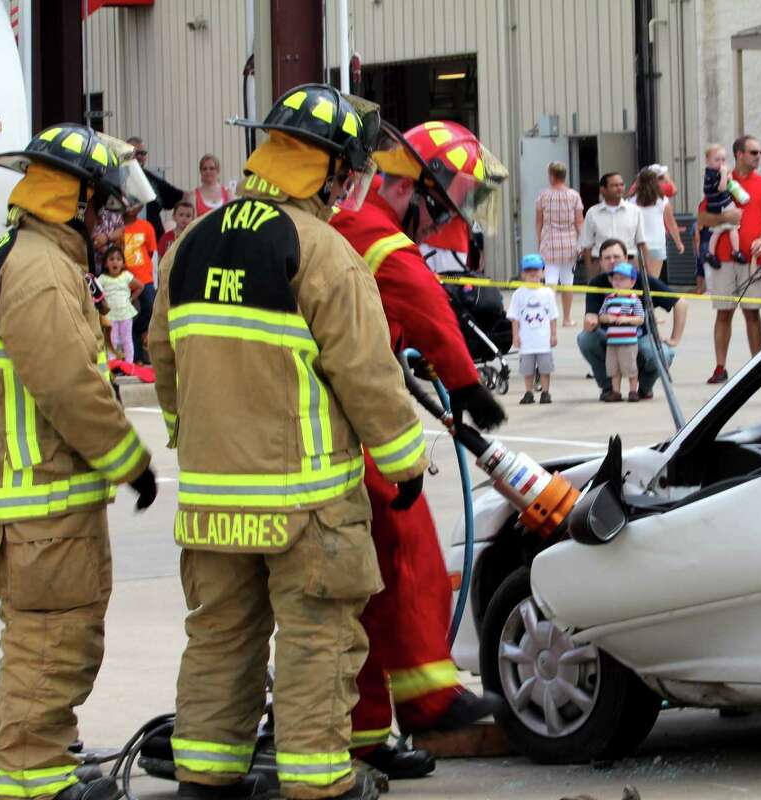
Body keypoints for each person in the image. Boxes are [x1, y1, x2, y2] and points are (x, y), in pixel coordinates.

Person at [151, 84, 425, 800]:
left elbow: (165, 361)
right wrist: (406, 463)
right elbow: (369, 377)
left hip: (213, 505)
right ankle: (319, 785)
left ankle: (204, 782)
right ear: (330, 170)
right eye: (349, 169)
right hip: (306, 507)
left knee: (219, 643)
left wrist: (196, 440)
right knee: (316, 643)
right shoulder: (324, 253)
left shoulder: (187, 246)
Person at [0, 124, 157, 800]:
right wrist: (130, 460)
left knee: (49, 644)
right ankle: (35, 779)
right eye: (104, 207)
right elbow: (69, 386)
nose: (113, 222)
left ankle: (30, 755)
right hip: (38, 502)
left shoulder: (32, 255)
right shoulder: (40, 271)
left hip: (37, 501)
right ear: (72, 201)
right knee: (50, 646)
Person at [331, 116, 509, 781]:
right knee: (411, 563)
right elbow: (428, 307)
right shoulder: (379, 238)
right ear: (419, 187)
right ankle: (432, 701)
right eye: (453, 193)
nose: (453, 213)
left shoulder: (352, 227)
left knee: (367, 589)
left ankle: (366, 736)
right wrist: (468, 387)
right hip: (358, 430)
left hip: (342, 421)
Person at [696, 135, 761, 382]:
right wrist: (725, 219)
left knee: (752, 312)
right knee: (723, 313)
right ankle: (719, 367)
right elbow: (702, 219)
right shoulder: (718, 178)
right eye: (753, 152)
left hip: (752, 259)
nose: (758, 157)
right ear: (739, 155)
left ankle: (757, 367)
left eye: (759, 152)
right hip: (722, 259)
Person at [577, 238, 688, 400]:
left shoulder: (643, 280)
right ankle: (609, 389)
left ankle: (643, 388)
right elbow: (591, 316)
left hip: (640, 337)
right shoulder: (597, 283)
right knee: (585, 339)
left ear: (626, 258)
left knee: (665, 353)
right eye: (607, 258)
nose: (612, 261)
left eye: (616, 256)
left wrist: (675, 338)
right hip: (609, 339)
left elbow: (681, 303)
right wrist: (591, 321)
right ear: (600, 262)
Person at [535, 160, 584, 324]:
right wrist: (581, 243)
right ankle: (567, 318)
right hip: (569, 244)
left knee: (550, 281)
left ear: (552, 176)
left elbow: (539, 222)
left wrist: (539, 242)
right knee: (568, 282)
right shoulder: (574, 195)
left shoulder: (543, 195)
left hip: (550, 243)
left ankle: (550, 318)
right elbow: (579, 222)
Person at [507, 253, 558, 403]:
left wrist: (553, 334)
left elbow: (553, 316)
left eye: (536, 269)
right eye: (528, 270)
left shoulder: (548, 293)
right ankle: (528, 392)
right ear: (523, 273)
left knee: (545, 368)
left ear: (542, 272)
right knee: (527, 369)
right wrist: (515, 335)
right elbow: (514, 317)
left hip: (543, 340)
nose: (532, 273)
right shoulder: (518, 294)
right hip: (526, 340)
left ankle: (545, 392)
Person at [577, 172, 648, 275]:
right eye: (614, 185)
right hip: (600, 265)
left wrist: (645, 270)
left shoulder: (635, 211)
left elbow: (641, 243)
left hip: (629, 264)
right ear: (603, 190)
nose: (619, 188)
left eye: (621, 185)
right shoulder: (593, 213)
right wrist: (590, 271)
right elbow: (586, 245)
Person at [597, 262, 646, 402]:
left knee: (630, 367)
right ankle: (616, 392)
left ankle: (632, 391)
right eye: (615, 279)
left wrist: (627, 319)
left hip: (629, 341)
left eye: (622, 279)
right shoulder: (609, 298)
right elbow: (601, 316)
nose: (617, 282)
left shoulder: (634, 299)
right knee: (613, 368)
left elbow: (640, 318)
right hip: (612, 341)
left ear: (632, 282)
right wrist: (608, 317)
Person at [126, 136, 183, 239]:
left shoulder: (153, 180)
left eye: (143, 153)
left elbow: (179, 196)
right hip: (127, 240)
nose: (139, 156)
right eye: (136, 153)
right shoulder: (117, 178)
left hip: (154, 241)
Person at [701, 143, 746, 269]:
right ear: (708, 161)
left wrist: (727, 176)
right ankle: (736, 251)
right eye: (717, 160)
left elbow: (727, 181)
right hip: (722, 206)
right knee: (732, 228)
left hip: (715, 207)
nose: (721, 163)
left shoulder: (714, 172)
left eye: (723, 159)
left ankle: (711, 253)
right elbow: (722, 188)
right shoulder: (711, 175)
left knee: (717, 231)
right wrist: (725, 175)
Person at [122, 204, 157, 364]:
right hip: (124, 279)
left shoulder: (146, 226)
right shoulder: (118, 228)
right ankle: (136, 358)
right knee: (128, 316)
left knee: (149, 307)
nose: (130, 207)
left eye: (134, 203)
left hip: (145, 277)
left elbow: (150, 252)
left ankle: (141, 330)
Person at [634, 165, 683, 279]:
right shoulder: (662, 200)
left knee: (637, 280)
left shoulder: (631, 201)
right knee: (653, 280)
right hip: (657, 244)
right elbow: (671, 224)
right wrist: (678, 243)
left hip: (637, 245)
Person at [97, 245, 142, 362]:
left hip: (125, 314)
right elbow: (97, 294)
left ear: (123, 263)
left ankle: (129, 364)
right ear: (106, 264)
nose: (115, 262)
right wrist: (102, 304)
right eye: (111, 259)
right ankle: (113, 364)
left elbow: (140, 286)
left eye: (118, 259)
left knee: (127, 339)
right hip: (110, 315)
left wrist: (131, 299)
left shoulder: (126, 276)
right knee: (112, 340)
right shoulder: (102, 279)